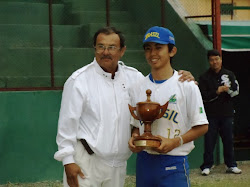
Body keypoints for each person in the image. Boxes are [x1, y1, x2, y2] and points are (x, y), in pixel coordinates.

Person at [54, 26, 196, 187]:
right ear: (95, 49)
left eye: (112, 47)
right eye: (101, 46)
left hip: (118, 165)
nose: (105, 52)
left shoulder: (134, 78)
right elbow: (67, 123)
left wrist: (184, 78)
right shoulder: (78, 80)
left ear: (122, 51)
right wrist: (67, 160)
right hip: (85, 162)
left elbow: (159, 87)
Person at [128, 26, 209, 187]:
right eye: (148, 49)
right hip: (145, 161)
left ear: (172, 51)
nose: (153, 54)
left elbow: (202, 126)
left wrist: (175, 141)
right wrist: (134, 138)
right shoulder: (137, 86)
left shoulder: (186, 85)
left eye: (159, 48)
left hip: (174, 160)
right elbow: (137, 125)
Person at [199, 49, 242, 175]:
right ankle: (207, 166)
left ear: (221, 60)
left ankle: (231, 165)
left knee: (228, 140)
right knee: (209, 141)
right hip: (211, 114)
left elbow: (236, 91)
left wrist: (228, 89)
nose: (215, 62)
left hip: (227, 114)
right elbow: (203, 96)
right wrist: (217, 91)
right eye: (212, 60)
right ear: (209, 61)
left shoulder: (229, 74)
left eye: (217, 59)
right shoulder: (204, 77)